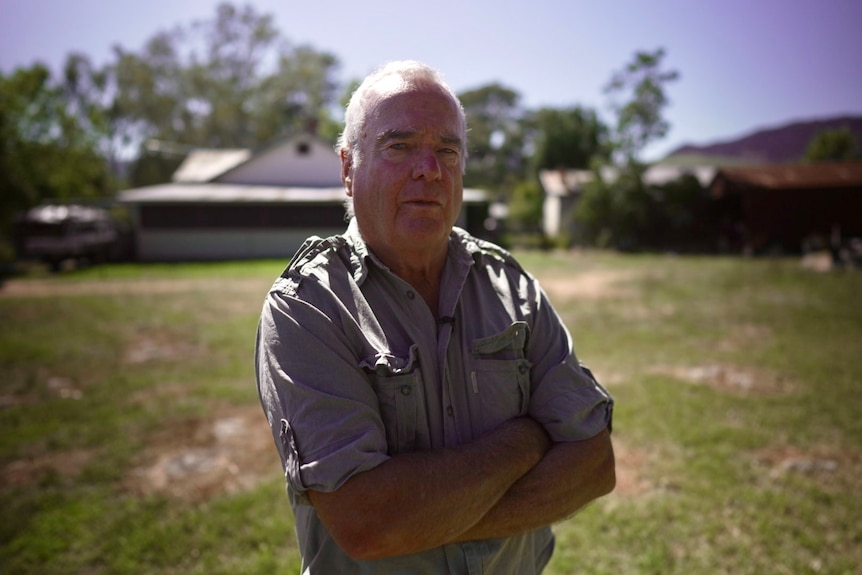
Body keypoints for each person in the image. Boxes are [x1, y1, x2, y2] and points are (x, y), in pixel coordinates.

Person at [255, 60, 615, 574]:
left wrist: (420, 520)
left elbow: (594, 466)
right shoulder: (308, 307)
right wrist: (528, 438)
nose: (430, 169)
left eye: (447, 150)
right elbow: (367, 523)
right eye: (399, 147)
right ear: (347, 168)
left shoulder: (511, 287)